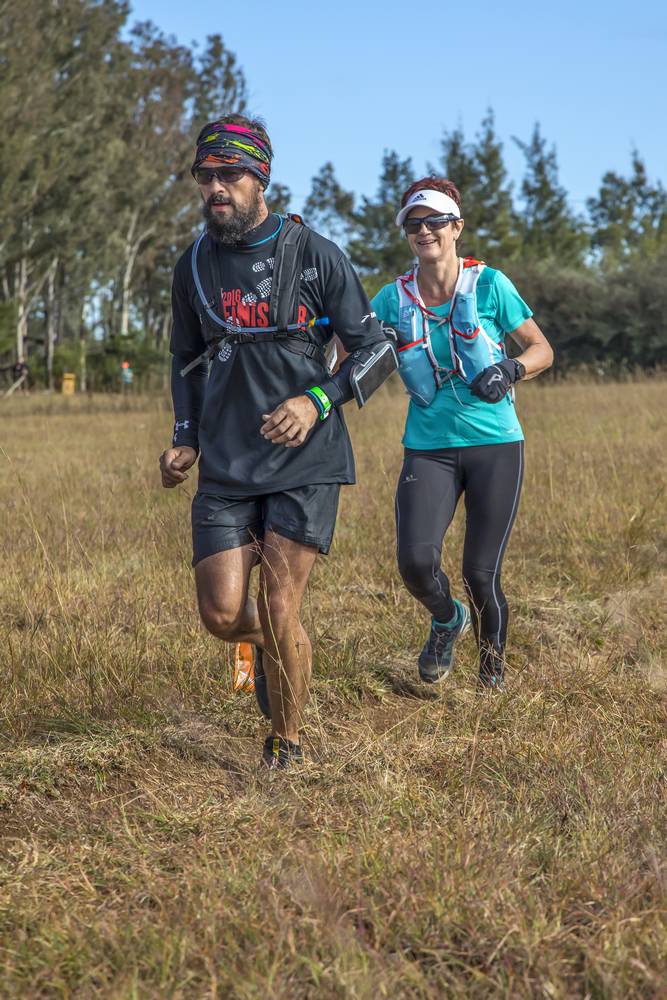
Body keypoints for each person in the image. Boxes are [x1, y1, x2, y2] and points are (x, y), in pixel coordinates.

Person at [159, 114, 394, 769]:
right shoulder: (194, 265)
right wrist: (185, 437)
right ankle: (269, 648)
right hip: (227, 463)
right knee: (220, 614)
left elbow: (377, 351)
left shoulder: (315, 253)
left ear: (260, 177)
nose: (215, 187)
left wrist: (316, 400)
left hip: (305, 459)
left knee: (281, 603)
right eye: (205, 176)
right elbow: (184, 358)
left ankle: (283, 743)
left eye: (229, 174)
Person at [371, 177, 553, 690]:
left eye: (434, 221)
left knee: (480, 574)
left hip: (495, 444)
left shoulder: (490, 285)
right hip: (428, 448)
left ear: (456, 227)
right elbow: (346, 355)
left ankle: (491, 679)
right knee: (415, 562)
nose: (424, 230)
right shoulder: (390, 298)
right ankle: (448, 619)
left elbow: (542, 349)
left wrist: (511, 370)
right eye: (413, 223)